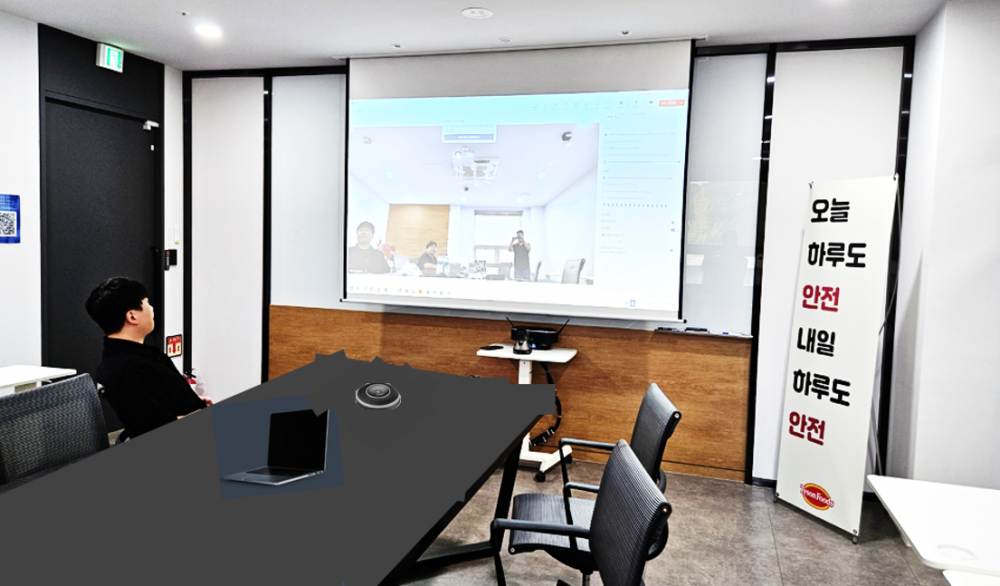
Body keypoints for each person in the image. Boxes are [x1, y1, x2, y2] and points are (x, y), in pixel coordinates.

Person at [85, 277, 212, 439]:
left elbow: (154, 402)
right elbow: (154, 428)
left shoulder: (138, 355)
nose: (152, 309)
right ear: (132, 317)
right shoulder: (128, 370)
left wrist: (194, 401)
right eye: (147, 303)